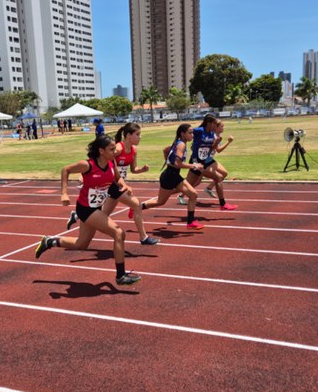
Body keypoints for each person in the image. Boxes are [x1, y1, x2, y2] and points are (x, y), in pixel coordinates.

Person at [35, 134, 141, 286]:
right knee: (119, 233)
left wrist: (124, 185)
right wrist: (64, 193)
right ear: (101, 151)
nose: (115, 151)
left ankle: (49, 242)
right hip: (85, 208)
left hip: (96, 207)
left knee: (81, 244)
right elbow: (65, 170)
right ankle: (121, 276)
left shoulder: (111, 163)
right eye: (112, 149)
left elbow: (118, 178)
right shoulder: (87, 165)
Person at [66, 123, 159, 245]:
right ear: (128, 135)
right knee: (136, 204)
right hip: (110, 184)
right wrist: (83, 174)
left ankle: (78, 215)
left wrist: (142, 170)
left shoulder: (133, 150)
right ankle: (143, 237)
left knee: (104, 214)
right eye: (137, 134)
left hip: (115, 183)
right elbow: (99, 159)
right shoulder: (118, 149)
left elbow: (133, 169)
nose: (140, 137)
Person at [138, 124, 205, 229]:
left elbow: (165, 150)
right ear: (182, 134)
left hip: (173, 175)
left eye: (193, 132)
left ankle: (190, 222)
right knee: (160, 202)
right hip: (169, 176)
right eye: (190, 133)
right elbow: (178, 164)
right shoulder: (181, 145)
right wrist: (194, 165)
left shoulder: (178, 142)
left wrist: (169, 161)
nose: (193, 135)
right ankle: (137, 207)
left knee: (193, 195)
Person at [181, 114, 237, 210]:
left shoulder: (212, 134)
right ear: (209, 123)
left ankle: (222, 204)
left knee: (189, 184)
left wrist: (216, 143)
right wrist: (182, 143)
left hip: (204, 162)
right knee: (186, 185)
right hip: (196, 162)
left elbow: (212, 150)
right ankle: (222, 204)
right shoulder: (199, 130)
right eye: (214, 124)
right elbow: (186, 133)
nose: (215, 127)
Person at [201, 120, 234, 198]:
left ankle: (209, 188)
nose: (223, 128)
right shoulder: (214, 137)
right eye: (222, 126)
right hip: (205, 161)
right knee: (196, 182)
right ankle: (181, 195)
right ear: (216, 128)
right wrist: (229, 142)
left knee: (224, 173)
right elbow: (218, 150)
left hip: (210, 160)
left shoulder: (218, 136)